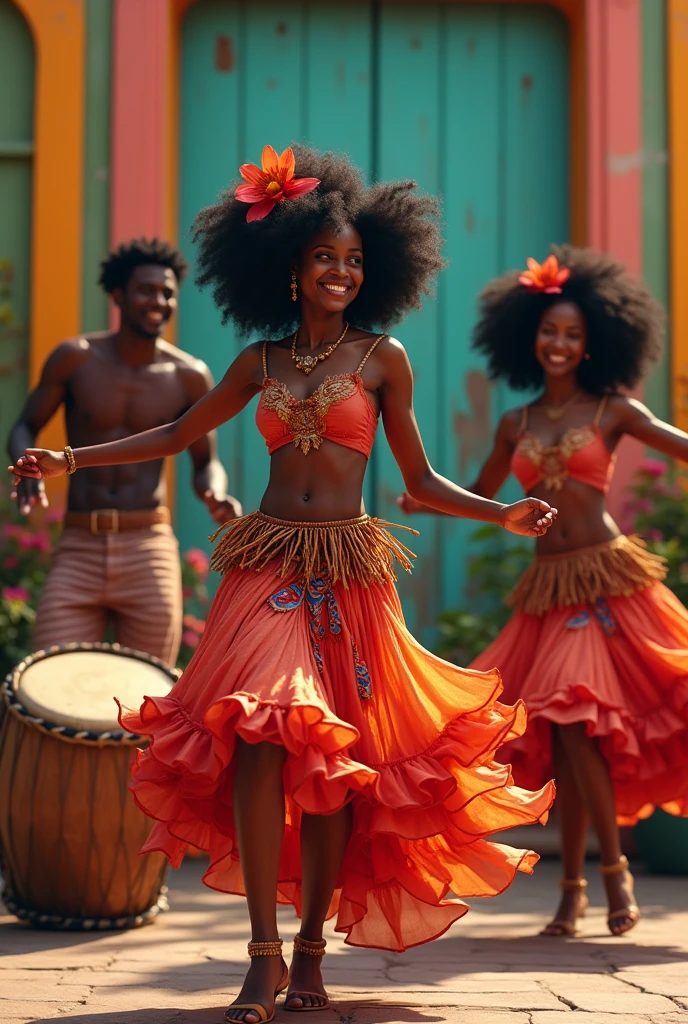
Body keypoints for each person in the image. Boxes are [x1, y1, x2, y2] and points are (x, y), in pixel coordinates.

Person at [10, 146, 557, 1024]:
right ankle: (262, 955)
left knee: (338, 764)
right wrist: (68, 455)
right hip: (265, 568)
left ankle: (311, 955)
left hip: (348, 574)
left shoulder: (384, 357)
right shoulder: (258, 365)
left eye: (353, 260)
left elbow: (416, 484)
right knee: (262, 739)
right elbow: (172, 435)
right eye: (323, 258)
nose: (341, 271)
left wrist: (502, 515)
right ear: (290, 270)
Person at [399, 245, 688, 939]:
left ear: (594, 343)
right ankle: (575, 888)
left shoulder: (615, 410)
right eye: (549, 332)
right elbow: (483, 495)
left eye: (573, 334)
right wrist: (425, 502)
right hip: (548, 594)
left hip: (607, 582)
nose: (560, 344)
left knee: (576, 722)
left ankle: (608, 879)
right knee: (562, 736)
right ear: (529, 338)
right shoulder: (515, 424)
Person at [7, 238, 241, 667]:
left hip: (147, 548)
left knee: (146, 698)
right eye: (146, 290)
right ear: (118, 296)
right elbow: (25, 425)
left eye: (167, 292)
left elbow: (206, 463)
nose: (159, 300)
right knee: (51, 682)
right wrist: (25, 468)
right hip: (79, 544)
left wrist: (214, 494)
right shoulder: (75, 359)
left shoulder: (189, 376)